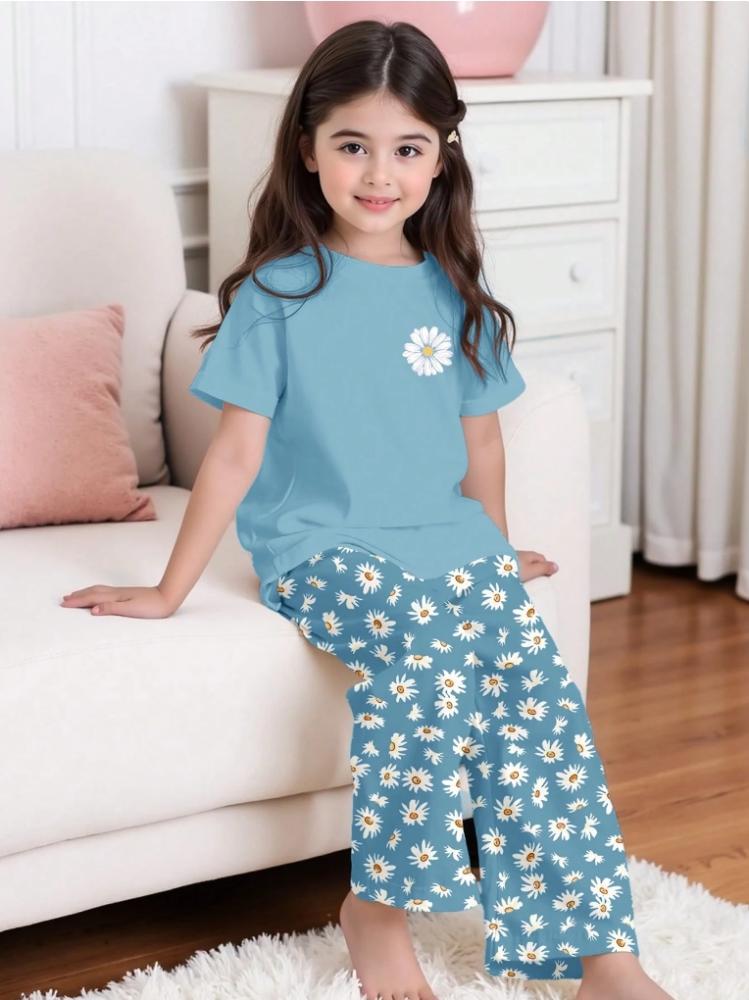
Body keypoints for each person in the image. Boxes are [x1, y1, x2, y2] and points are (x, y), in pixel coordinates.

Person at [60, 20, 675, 1000]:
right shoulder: (279, 292)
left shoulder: (456, 294)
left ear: (441, 156)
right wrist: (169, 590)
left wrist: (495, 548)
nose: (379, 174)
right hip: (321, 544)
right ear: (309, 150)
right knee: (425, 655)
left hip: (444, 536)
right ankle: (376, 909)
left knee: (537, 694)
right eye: (353, 145)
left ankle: (600, 950)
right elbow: (234, 453)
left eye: (407, 148)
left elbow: (482, 445)